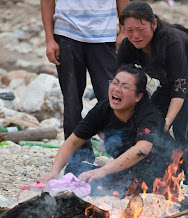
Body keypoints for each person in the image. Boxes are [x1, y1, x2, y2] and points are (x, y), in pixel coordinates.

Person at [117, 1, 188, 203]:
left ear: (153, 24)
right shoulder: (128, 46)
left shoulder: (172, 41)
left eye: (141, 29)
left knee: (181, 129)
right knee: (148, 124)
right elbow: (123, 81)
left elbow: (181, 88)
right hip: (167, 84)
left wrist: (167, 121)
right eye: (129, 30)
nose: (135, 36)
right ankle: (163, 177)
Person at [40, 65, 176, 196]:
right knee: (73, 170)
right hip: (125, 171)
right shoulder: (103, 109)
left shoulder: (149, 115)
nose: (117, 89)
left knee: (108, 182)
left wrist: (103, 170)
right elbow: (73, 142)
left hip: (157, 174)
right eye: (115, 83)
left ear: (138, 97)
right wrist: (54, 171)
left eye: (125, 87)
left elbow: (142, 150)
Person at [41, 0, 129, 165]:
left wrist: (124, 30)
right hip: (67, 33)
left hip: (104, 34)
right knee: (72, 100)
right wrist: (50, 40)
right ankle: (79, 158)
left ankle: (123, 154)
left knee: (112, 96)